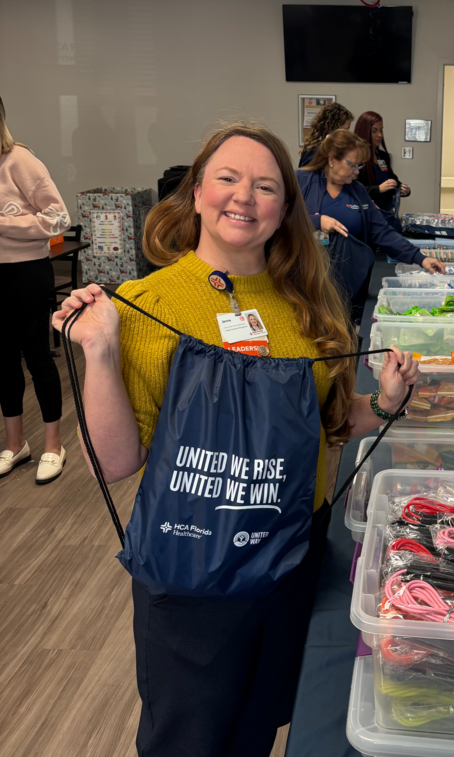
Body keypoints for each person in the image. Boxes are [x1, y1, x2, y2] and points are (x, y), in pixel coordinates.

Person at [52, 123, 420, 757]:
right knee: (187, 737)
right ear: (195, 194)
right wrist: (101, 352)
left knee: (257, 725)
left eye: (265, 186)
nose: (244, 197)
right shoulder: (146, 303)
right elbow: (113, 463)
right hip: (195, 577)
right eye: (227, 179)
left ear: (284, 210)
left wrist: (385, 402)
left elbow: (334, 426)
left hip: (290, 561)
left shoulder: (308, 307)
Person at [0, 95, 70, 484]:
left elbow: (59, 217)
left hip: (26, 273)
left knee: (37, 357)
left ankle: (52, 445)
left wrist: (5, 225)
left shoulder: (20, 160)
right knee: (3, 361)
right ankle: (14, 445)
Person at [297, 130, 442, 272]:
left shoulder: (358, 191)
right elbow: (280, 221)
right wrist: (316, 222)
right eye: (352, 165)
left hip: (348, 282)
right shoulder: (301, 181)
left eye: (359, 166)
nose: (357, 172)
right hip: (305, 279)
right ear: (332, 159)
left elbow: (381, 231)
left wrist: (420, 258)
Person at [354, 111, 410, 226]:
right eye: (374, 131)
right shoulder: (355, 158)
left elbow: (391, 178)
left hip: (385, 214)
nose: (380, 135)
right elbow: (352, 189)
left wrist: (401, 188)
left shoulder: (382, 156)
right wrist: (378, 189)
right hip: (365, 215)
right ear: (364, 131)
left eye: (381, 130)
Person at [298, 102, 354, 167]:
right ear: (331, 128)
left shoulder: (335, 149)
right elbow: (306, 176)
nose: (347, 134)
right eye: (345, 130)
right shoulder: (314, 152)